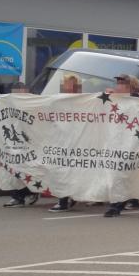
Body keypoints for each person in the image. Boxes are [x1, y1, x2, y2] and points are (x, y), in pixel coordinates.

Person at [103, 75, 139, 217]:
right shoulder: (113, 99)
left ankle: (117, 206)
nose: (117, 85)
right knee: (116, 175)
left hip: (131, 143)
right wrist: (105, 97)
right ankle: (117, 204)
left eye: (121, 83)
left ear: (129, 87)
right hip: (115, 143)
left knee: (123, 175)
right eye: (117, 83)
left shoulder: (137, 101)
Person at [49, 74, 82, 212]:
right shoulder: (58, 99)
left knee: (68, 172)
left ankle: (64, 200)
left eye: (71, 84)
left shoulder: (83, 100)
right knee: (62, 171)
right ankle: (67, 198)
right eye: (66, 83)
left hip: (76, 142)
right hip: (62, 142)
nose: (68, 86)